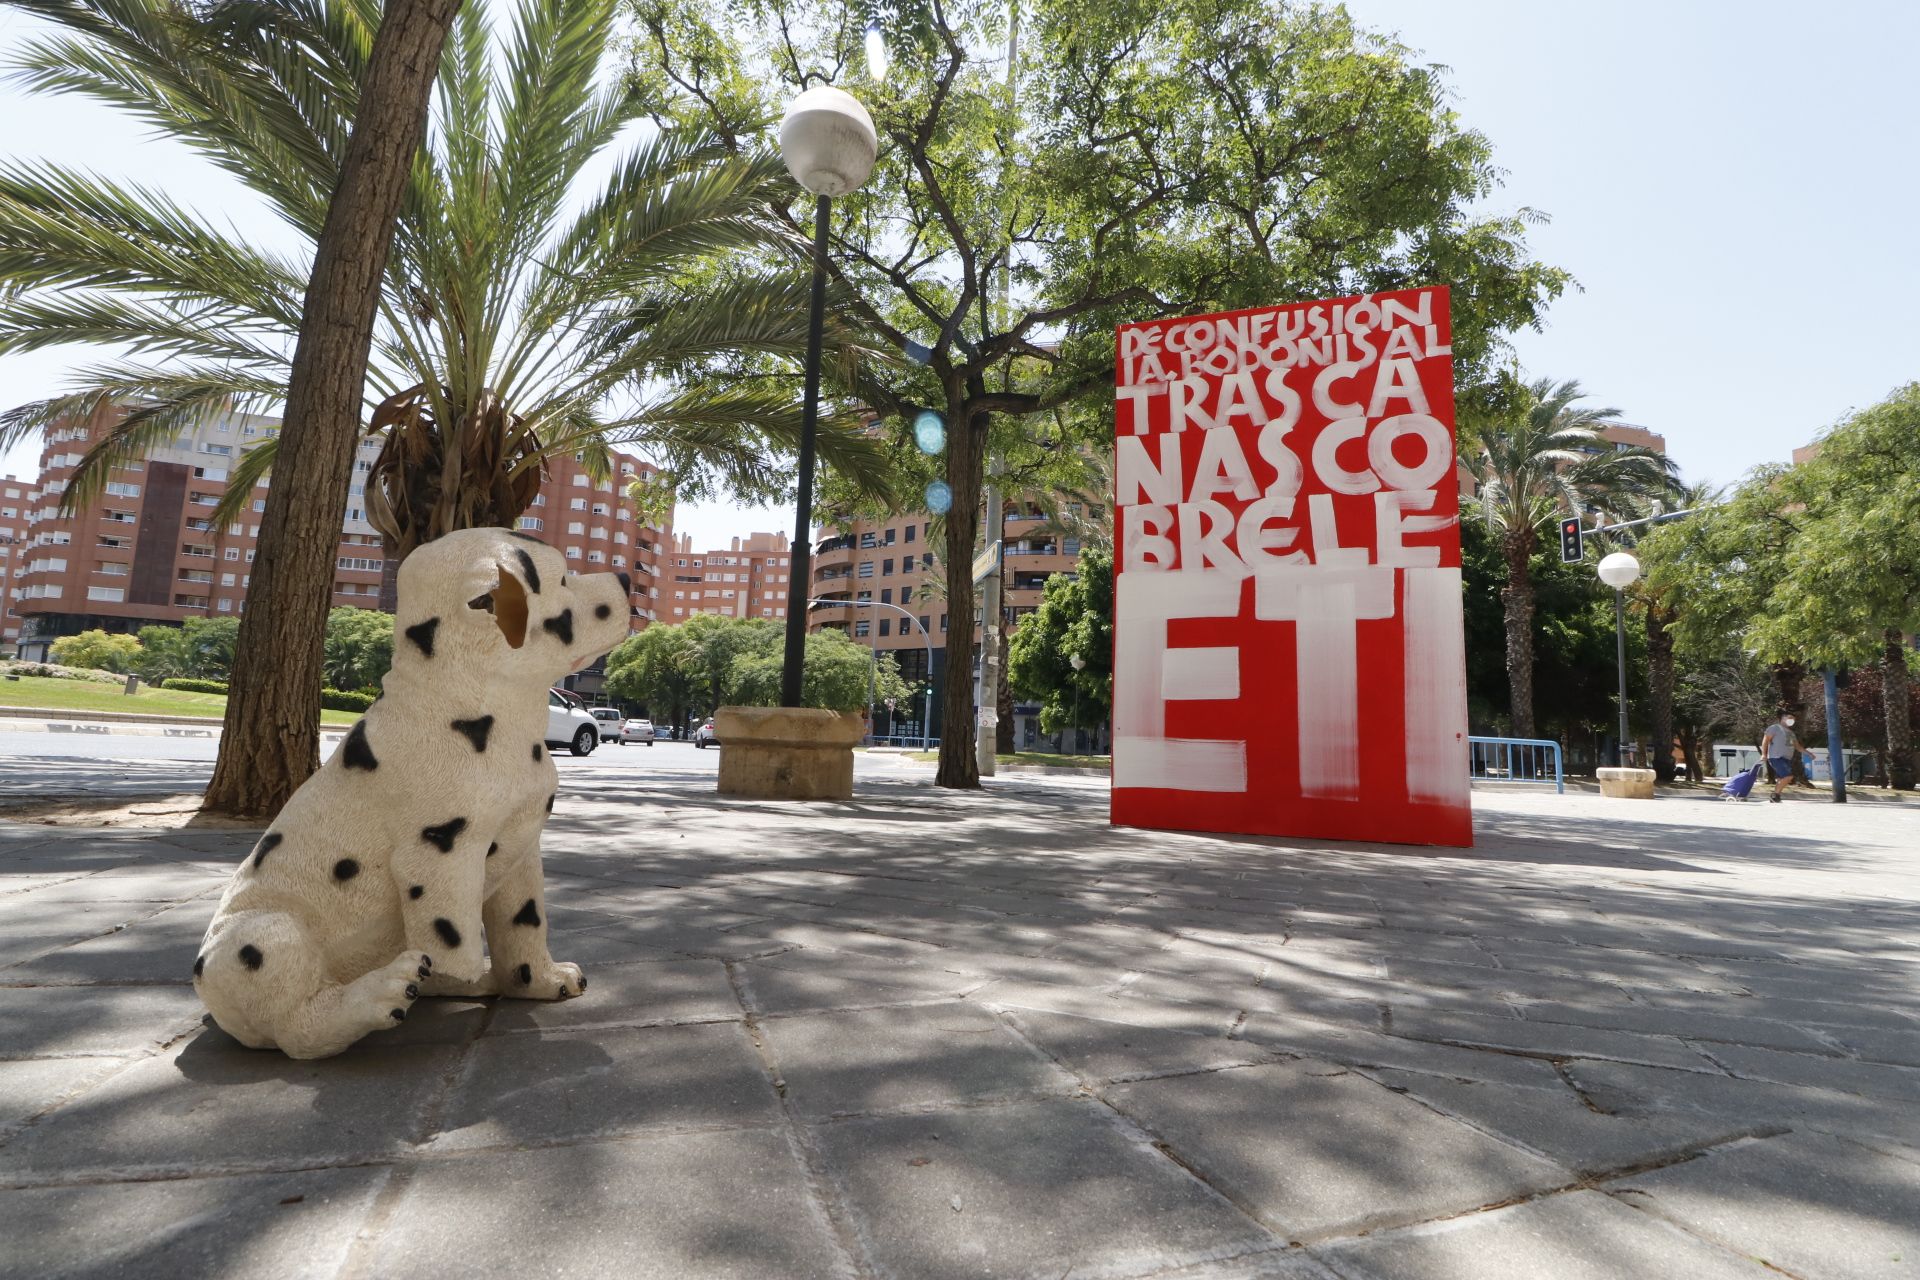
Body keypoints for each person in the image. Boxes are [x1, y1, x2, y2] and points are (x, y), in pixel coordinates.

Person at [1759, 710, 1801, 804]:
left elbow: (1797, 746)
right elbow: (1765, 740)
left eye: (1793, 719)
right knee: (1788, 776)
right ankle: (1775, 795)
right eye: (1790, 718)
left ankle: (1776, 797)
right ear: (1783, 718)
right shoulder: (1774, 728)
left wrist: (1808, 753)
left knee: (1781, 779)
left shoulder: (1791, 732)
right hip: (1776, 757)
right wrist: (1763, 754)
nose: (1792, 720)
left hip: (1786, 758)